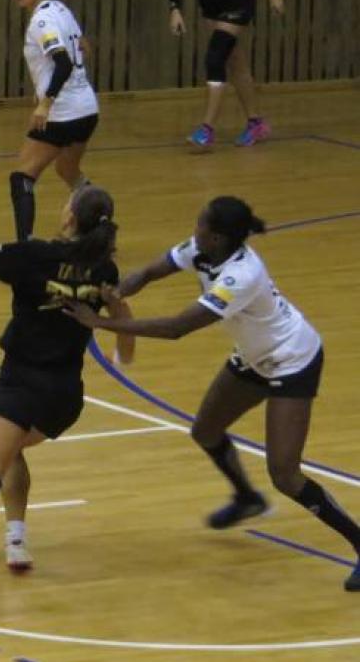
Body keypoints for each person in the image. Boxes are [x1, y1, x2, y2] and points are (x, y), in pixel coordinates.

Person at [65, 196, 360, 593]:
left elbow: (176, 328)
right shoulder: (202, 249)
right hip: (253, 356)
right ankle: (247, 498)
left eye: (201, 224)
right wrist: (111, 291)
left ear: (217, 237)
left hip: (291, 360)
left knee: (285, 475)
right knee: (205, 430)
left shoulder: (242, 276)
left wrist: (99, 322)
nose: (195, 228)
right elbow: (148, 272)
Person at [0, 177, 135, 616]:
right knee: (9, 450)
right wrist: (120, 351)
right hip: (65, 397)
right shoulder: (104, 271)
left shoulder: (33, 255)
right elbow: (124, 333)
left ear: (70, 216)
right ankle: (16, 538)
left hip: (22, 384)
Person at [8, 0, 99, 242]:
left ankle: (25, 245)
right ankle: (97, 224)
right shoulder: (61, 9)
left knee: (22, 178)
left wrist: (46, 102)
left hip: (62, 113)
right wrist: (44, 85)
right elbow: (84, 48)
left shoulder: (42, 20)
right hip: (87, 109)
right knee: (68, 170)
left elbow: (64, 63)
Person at [171, 0, 285, 149]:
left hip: (236, 3)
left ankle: (207, 129)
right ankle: (256, 123)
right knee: (236, 63)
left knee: (215, 58)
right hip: (210, 4)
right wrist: (175, 9)